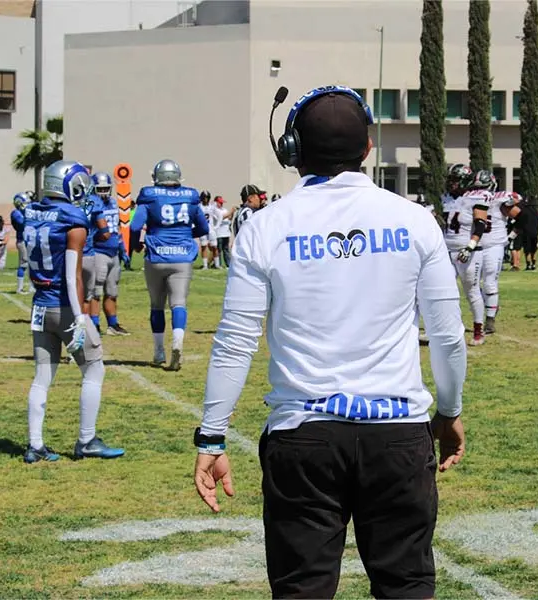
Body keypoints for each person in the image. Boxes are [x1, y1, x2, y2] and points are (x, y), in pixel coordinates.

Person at [192, 84, 467, 599]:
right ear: (368, 148)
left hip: (304, 435)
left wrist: (212, 435)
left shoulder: (264, 226)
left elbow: (234, 342)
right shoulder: (414, 220)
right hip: (397, 432)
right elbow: (447, 335)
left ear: (292, 151)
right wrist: (449, 410)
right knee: (406, 587)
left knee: (302, 591)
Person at [22, 160, 124, 463]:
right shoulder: (72, 217)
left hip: (40, 305)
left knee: (42, 376)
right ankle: (86, 439)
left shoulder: (32, 213)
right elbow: (72, 275)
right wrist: (80, 317)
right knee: (94, 368)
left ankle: (35, 445)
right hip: (64, 306)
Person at [130, 159, 208, 371]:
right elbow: (203, 227)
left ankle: (158, 351)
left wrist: (134, 246)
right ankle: (178, 342)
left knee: (157, 305)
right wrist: (183, 234)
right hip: (182, 256)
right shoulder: (190, 196)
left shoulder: (150, 195)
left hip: (157, 255)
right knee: (179, 303)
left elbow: (135, 225)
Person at [448, 170, 491, 346]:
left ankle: (479, 330)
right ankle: (448, 328)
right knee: (444, 290)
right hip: (446, 250)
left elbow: (480, 225)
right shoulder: (448, 198)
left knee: (471, 291)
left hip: (467, 251)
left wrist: (469, 246)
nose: (452, 184)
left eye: (456, 180)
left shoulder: (476, 198)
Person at [89, 172, 130, 335]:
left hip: (113, 253)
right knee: (96, 291)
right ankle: (94, 324)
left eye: (106, 188)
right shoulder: (91, 205)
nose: (104, 191)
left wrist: (123, 249)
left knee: (112, 291)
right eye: (100, 188)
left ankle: (112, 325)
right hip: (98, 251)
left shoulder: (113, 203)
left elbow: (117, 228)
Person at [479, 181, 507, 335]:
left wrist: (512, 234)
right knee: (472, 284)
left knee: (489, 282)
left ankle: (490, 320)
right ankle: (492, 305)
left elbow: (518, 212)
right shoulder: (470, 200)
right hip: (476, 245)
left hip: (493, 245)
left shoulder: (499, 201)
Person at [504, 195, 538, 271]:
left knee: (524, 249)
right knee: (533, 248)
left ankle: (525, 264)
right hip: (534, 232)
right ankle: (533, 264)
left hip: (524, 231)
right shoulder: (536, 212)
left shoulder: (522, 211)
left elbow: (517, 222)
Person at [12, 193, 32, 293]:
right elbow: (22, 223)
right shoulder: (16, 213)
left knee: (32, 265)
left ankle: (32, 287)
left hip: (30, 241)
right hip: (22, 241)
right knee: (24, 264)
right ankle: (19, 288)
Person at [214, 196, 231, 268]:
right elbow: (220, 218)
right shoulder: (214, 210)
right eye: (220, 203)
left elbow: (229, 219)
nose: (221, 204)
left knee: (226, 249)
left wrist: (231, 215)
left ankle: (228, 264)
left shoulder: (224, 210)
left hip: (226, 233)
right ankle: (219, 264)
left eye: (222, 203)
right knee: (219, 250)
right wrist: (231, 212)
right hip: (219, 233)